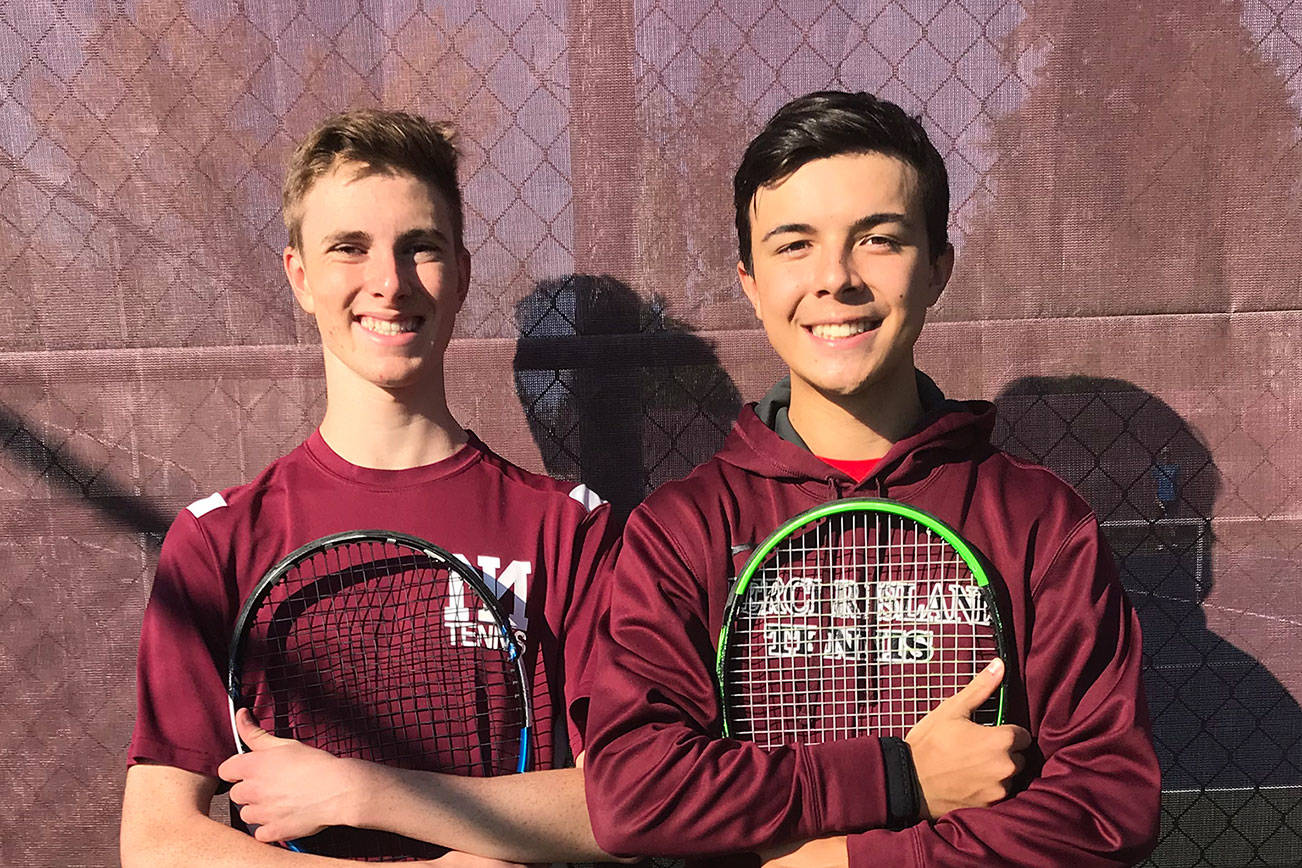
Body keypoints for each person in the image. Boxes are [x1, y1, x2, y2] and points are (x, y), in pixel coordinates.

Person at [582, 90, 1160, 866]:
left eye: (878, 240)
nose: (837, 279)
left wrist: (839, 861)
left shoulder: (1039, 520)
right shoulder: (683, 529)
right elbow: (635, 796)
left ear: (938, 268)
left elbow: (1105, 809)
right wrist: (902, 779)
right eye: (794, 245)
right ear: (750, 283)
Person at [120, 109, 619, 866]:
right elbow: (157, 841)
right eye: (349, 248)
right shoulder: (219, 540)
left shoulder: (570, 531)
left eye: (420, 248)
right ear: (300, 277)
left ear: (462, 274)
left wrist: (356, 791)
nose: (388, 283)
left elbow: (625, 807)